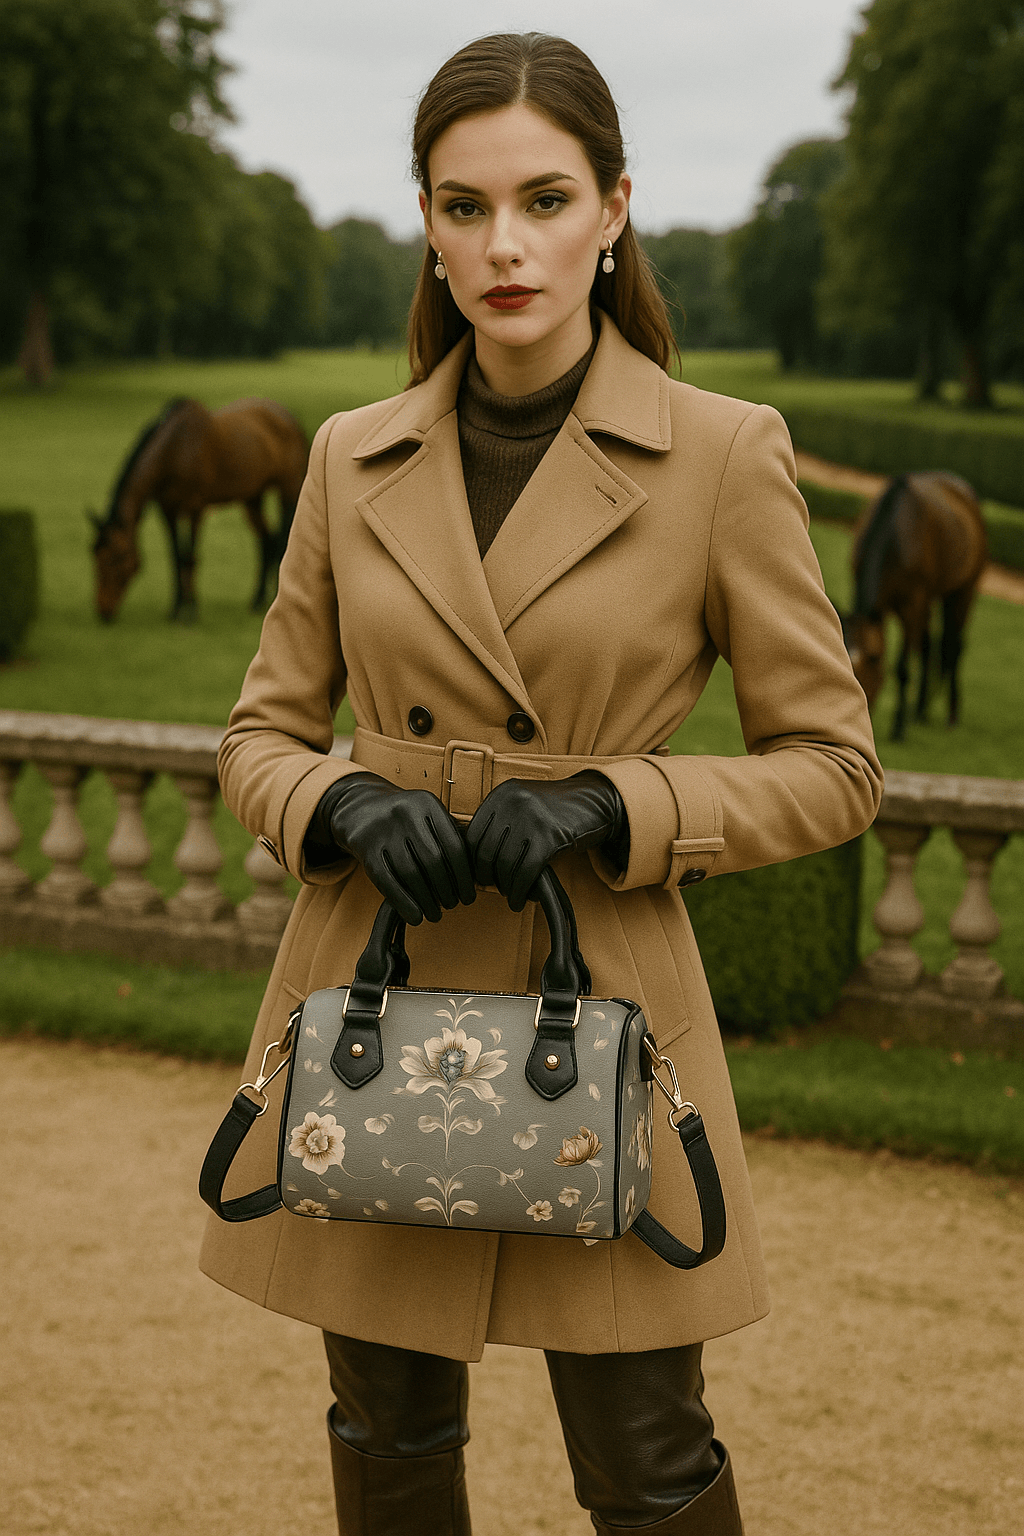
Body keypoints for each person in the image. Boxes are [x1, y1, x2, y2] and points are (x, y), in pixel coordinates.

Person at [200, 31, 882, 1535]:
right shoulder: (346, 455)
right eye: (463, 207)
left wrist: (617, 804)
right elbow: (255, 736)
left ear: (616, 209)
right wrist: (334, 805)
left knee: (647, 1457)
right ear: (429, 229)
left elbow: (836, 769)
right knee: (384, 1432)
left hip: (610, 1006)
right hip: (382, 987)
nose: (504, 246)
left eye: (546, 199)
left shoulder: (722, 455)